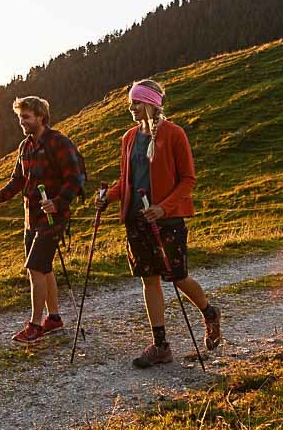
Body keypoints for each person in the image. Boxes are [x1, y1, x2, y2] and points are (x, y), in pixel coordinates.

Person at [99, 79, 222, 368]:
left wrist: (162, 208)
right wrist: (109, 197)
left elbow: (188, 180)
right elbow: (127, 180)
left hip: (168, 220)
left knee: (177, 276)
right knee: (149, 278)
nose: (131, 107)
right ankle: (160, 345)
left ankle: (209, 312)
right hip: (136, 220)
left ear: (152, 104)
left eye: (137, 102)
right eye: (131, 102)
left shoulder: (174, 134)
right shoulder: (129, 137)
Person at [0, 96, 87, 344]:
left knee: (34, 269)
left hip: (53, 218)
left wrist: (59, 202)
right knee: (44, 268)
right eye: (20, 117)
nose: (22, 122)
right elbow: (18, 180)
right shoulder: (25, 147)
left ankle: (34, 325)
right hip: (31, 218)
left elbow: (77, 177)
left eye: (26, 117)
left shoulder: (58, 142)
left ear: (41, 117)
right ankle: (53, 318)